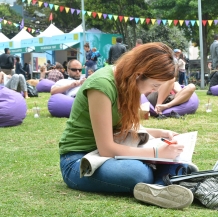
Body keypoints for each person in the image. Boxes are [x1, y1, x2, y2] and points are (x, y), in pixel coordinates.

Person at [58, 43, 193, 209]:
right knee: (138, 172)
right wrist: (157, 152)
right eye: (155, 85)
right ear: (139, 74)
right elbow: (106, 147)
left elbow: (122, 130)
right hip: (80, 161)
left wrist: (161, 133)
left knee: (178, 159)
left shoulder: (128, 83)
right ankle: (163, 182)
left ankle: (158, 187)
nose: (152, 91)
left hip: (110, 155)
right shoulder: (102, 84)